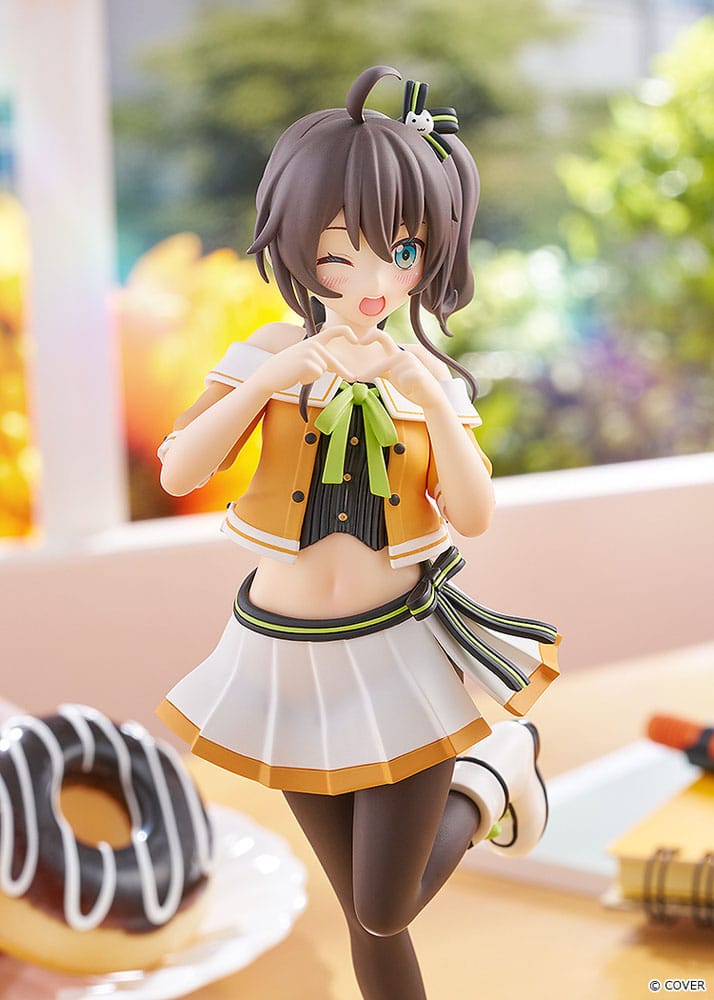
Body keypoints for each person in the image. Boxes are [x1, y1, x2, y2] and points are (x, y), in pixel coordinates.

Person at [156, 65, 561, 1000]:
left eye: (401, 252)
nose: (374, 283)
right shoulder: (267, 354)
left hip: (398, 656)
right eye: (340, 255)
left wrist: (431, 398)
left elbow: (474, 514)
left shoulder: (428, 378)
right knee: (364, 917)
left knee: (383, 907)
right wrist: (271, 379)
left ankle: (492, 773)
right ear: (297, 246)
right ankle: (493, 775)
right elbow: (181, 467)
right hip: (283, 660)